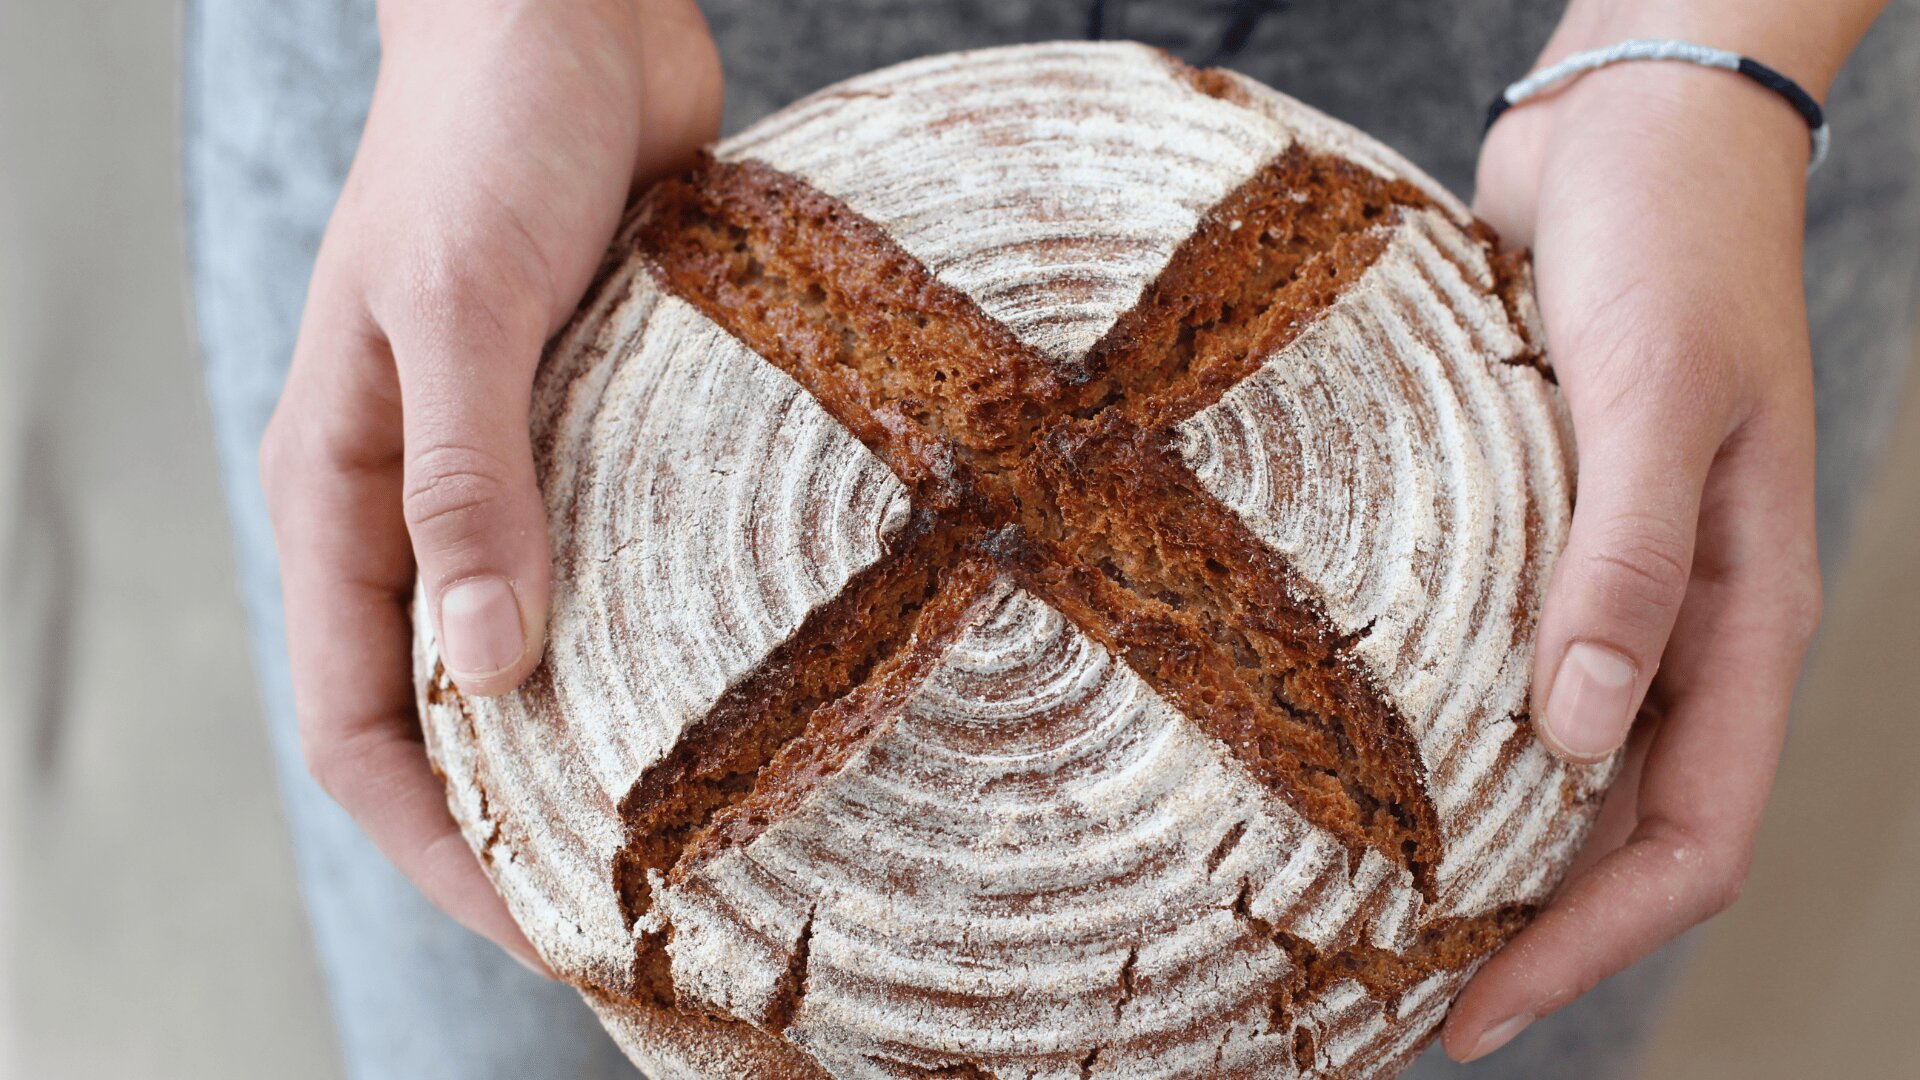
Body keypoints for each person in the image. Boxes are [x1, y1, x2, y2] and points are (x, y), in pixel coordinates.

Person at [185, 0, 1919, 1076]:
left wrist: (1714, 48)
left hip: (1611, 135)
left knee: (1496, 922)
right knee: (522, 971)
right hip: (552, 133)